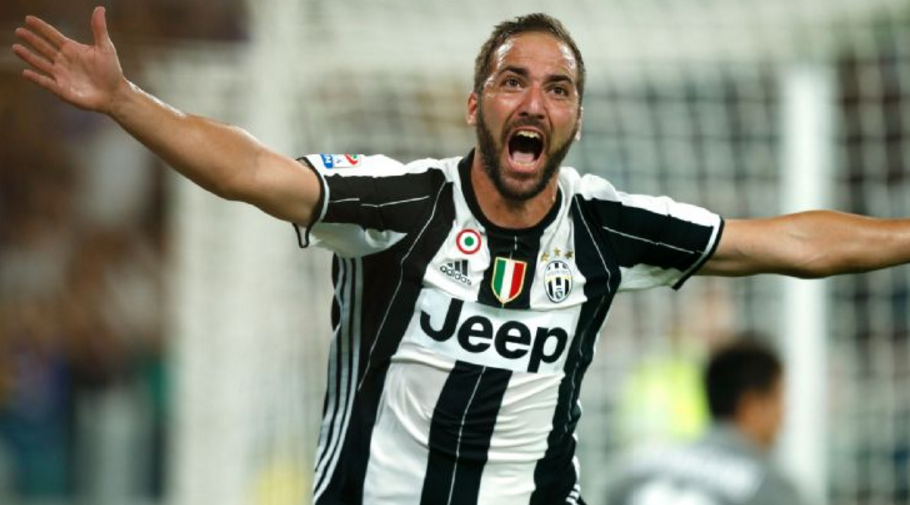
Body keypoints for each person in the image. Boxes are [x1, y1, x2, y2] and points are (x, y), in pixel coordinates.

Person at [11, 8, 910, 505]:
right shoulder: (400, 202)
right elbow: (254, 170)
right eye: (513, 80)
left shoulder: (605, 224)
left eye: (558, 88)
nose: (535, 101)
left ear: (574, 119)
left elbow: (783, 242)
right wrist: (126, 102)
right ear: (475, 105)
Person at [604, 338, 803, 505]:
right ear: (751, 406)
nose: (784, 415)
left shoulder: (634, 468)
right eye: (779, 399)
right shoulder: (770, 489)